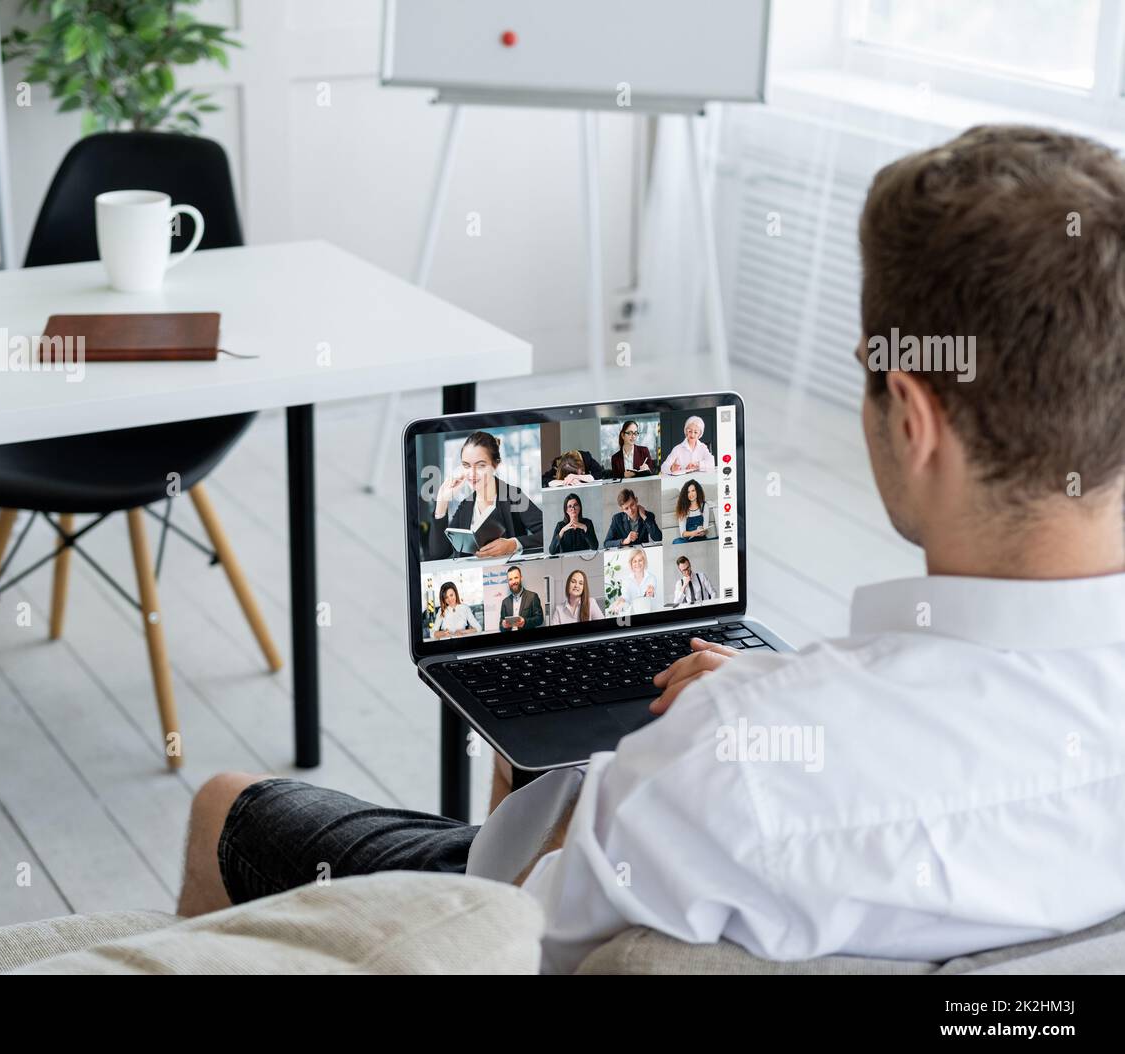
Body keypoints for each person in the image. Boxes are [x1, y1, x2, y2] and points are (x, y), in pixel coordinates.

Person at [177, 126, 1125, 976]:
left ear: (913, 416)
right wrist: (785, 697)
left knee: (226, 801)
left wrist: (664, 750)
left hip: (511, 899)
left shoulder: (734, 768)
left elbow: (508, 938)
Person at [427, 430, 543, 561]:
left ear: (496, 464)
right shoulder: (465, 506)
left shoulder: (514, 496)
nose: (472, 473)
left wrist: (513, 544)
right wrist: (442, 502)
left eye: (481, 465)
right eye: (466, 465)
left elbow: (549, 533)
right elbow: (438, 553)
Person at [608, 547, 657, 615]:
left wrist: (650, 592)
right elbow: (625, 597)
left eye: (640, 560)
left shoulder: (651, 578)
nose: (637, 564)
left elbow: (651, 590)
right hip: (633, 616)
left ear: (644, 561)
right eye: (634, 561)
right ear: (631, 564)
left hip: (650, 613)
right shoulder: (626, 581)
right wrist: (621, 601)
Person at [497, 564, 544, 631]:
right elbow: (501, 626)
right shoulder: (505, 602)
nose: (513, 582)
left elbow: (540, 619)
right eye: (510, 579)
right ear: (508, 581)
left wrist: (525, 622)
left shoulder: (532, 597)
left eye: (516, 578)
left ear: (521, 578)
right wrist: (503, 625)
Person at [671, 479, 715, 543]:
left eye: (693, 491)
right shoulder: (683, 508)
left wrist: (703, 532)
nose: (691, 494)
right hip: (688, 540)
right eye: (688, 492)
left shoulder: (704, 506)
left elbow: (706, 528)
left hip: (701, 539)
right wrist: (692, 533)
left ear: (697, 491)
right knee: (676, 542)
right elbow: (683, 533)